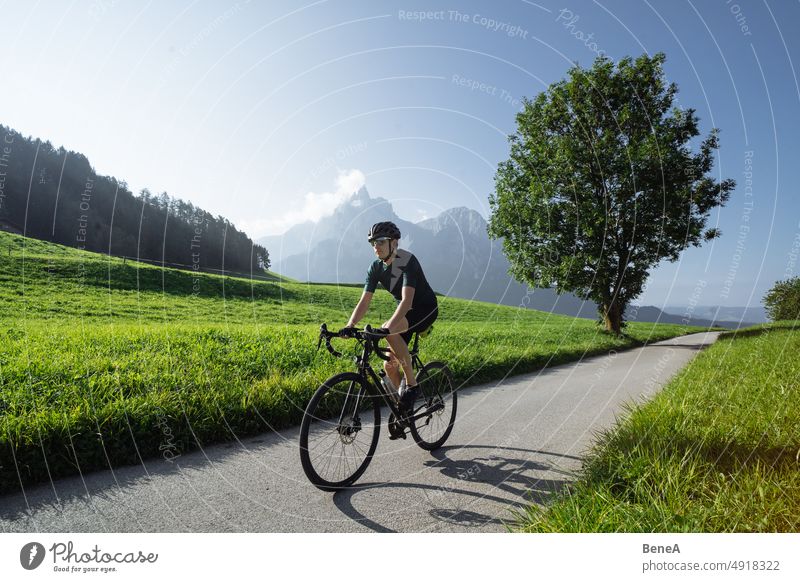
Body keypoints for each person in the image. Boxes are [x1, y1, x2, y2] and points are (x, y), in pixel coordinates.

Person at [345, 221, 438, 418]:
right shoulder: (376, 267)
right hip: (405, 311)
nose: (375, 247)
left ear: (394, 243)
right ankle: (404, 408)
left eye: (380, 241)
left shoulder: (406, 260)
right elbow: (365, 301)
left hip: (424, 309)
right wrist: (350, 325)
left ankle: (412, 387)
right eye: (372, 243)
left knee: (389, 330)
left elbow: (407, 301)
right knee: (389, 366)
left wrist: (388, 329)